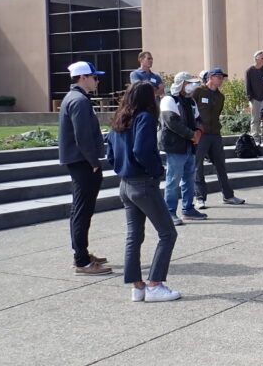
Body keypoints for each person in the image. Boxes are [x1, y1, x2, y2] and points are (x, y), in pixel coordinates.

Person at [106, 81, 181, 302]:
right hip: (143, 183)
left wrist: (123, 166)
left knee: (134, 236)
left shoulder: (119, 119)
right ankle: (155, 285)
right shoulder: (145, 118)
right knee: (168, 234)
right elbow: (141, 149)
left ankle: (137, 287)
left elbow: (110, 153)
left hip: (125, 184)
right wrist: (157, 170)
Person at [58, 61, 111, 275]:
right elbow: (82, 137)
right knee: (82, 211)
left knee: (80, 210)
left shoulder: (75, 98)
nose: (97, 80)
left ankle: (81, 253)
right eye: (94, 76)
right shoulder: (79, 100)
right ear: (83, 78)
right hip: (82, 162)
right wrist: (94, 163)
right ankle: (82, 261)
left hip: (78, 161)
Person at [192, 67, 245, 207]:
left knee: (221, 165)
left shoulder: (220, 96)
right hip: (200, 134)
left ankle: (228, 196)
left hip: (215, 134)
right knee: (198, 166)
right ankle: (200, 198)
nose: (221, 80)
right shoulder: (198, 92)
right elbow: (191, 110)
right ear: (210, 77)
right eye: (218, 77)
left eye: (222, 77)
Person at [159, 72, 207, 225]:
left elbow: (199, 119)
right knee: (173, 180)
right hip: (175, 145)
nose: (192, 86)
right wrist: (192, 135)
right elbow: (171, 122)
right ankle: (169, 212)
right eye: (189, 83)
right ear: (181, 84)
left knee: (189, 178)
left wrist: (198, 132)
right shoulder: (168, 100)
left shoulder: (190, 101)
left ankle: (188, 209)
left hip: (189, 145)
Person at [245, 50, 263, 147]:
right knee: (255, 120)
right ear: (256, 59)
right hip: (255, 99)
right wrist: (251, 99)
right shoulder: (249, 70)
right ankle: (255, 139)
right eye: (262, 58)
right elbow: (247, 86)